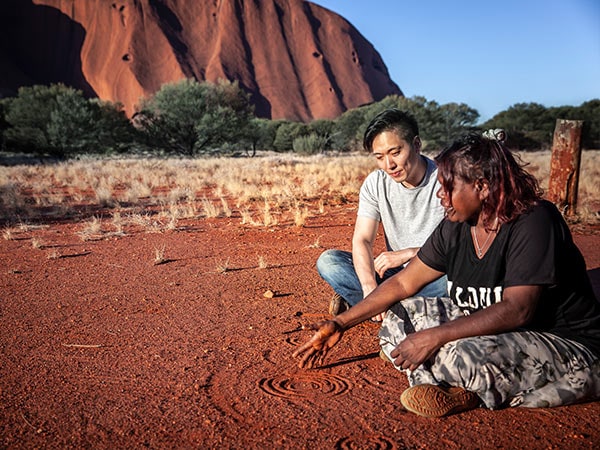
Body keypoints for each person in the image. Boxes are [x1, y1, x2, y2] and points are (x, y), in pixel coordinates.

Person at [293, 133, 600, 417]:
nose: (441, 195)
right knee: (398, 316)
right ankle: (452, 380)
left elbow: (519, 309)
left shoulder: (533, 220)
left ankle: (465, 389)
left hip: (564, 341)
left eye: (449, 186)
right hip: (498, 330)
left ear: (482, 186)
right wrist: (339, 323)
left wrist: (432, 337)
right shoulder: (458, 225)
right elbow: (403, 282)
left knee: (458, 353)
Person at [316, 108, 447, 321]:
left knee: (453, 282)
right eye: (380, 157)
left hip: (433, 274)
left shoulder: (446, 180)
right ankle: (394, 307)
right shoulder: (376, 183)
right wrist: (369, 286)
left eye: (396, 153)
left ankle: (376, 307)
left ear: (416, 145)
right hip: (393, 276)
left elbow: (461, 248)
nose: (389, 165)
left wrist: (410, 253)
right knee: (329, 262)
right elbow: (363, 239)